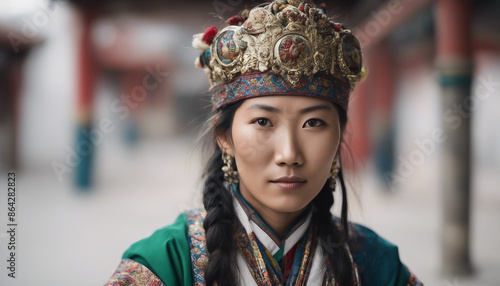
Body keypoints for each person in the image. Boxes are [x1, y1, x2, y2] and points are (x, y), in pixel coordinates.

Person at [105, 1, 423, 285]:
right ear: (224, 137)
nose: (289, 154)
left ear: (339, 135)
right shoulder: (166, 264)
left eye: (314, 123)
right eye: (263, 122)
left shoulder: (377, 265)